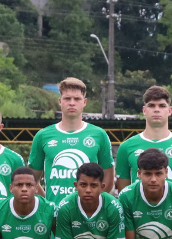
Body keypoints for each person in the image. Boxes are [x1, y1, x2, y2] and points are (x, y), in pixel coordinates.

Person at [29, 77, 114, 206]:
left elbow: (108, 176)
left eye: (77, 99)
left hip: (87, 216)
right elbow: (31, 179)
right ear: (60, 101)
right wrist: (46, 204)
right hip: (55, 217)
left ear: (84, 102)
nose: (72, 103)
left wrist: (94, 204)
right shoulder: (43, 136)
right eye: (67, 99)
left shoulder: (99, 135)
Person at [114, 86, 172, 191]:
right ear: (144, 110)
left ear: (170, 110)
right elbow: (124, 194)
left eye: (162, 106)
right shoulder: (126, 147)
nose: (156, 110)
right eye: (151, 106)